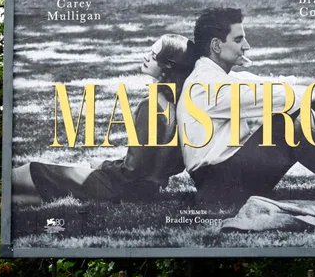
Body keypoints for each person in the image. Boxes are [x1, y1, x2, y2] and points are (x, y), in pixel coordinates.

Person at [176, 7, 315, 205]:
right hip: (218, 185)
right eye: (238, 39)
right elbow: (272, 97)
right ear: (216, 45)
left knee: (313, 105)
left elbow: (274, 85)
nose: (246, 45)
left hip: (232, 174)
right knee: (290, 121)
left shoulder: (219, 75)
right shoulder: (205, 83)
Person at [11, 34, 193, 206]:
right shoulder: (183, 106)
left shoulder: (153, 105)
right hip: (147, 189)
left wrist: (104, 165)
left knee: (33, 171)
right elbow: (159, 164)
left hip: (120, 188)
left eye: (153, 55)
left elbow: (131, 171)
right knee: (24, 192)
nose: (146, 56)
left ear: (167, 65)